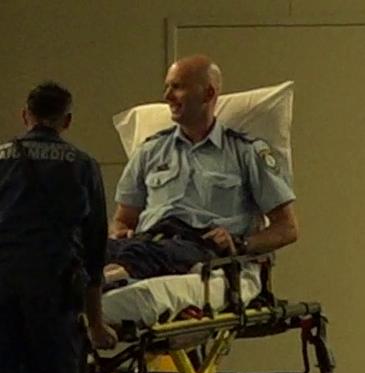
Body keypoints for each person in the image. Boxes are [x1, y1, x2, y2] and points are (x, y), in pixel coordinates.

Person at [0, 82, 117, 373]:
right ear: (67, 121)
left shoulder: (1, 159)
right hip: (52, 300)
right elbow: (95, 252)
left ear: (24, 115)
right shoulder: (82, 166)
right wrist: (97, 324)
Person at [107, 54, 298, 281]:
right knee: (82, 248)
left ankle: (105, 282)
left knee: (151, 254)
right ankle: (102, 278)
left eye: (177, 88)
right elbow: (123, 219)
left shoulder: (246, 152)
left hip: (198, 246)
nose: (167, 96)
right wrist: (118, 231)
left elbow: (287, 228)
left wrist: (241, 243)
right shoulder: (150, 151)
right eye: (167, 87)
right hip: (146, 241)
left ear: (208, 94)